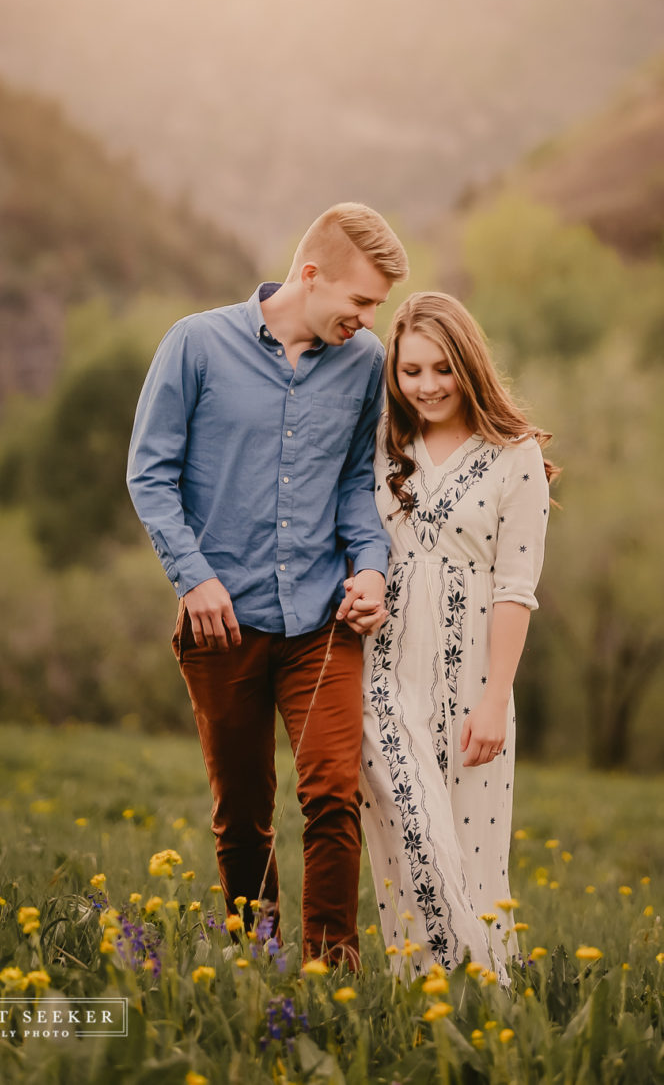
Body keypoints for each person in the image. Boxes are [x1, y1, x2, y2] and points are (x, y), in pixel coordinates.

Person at [126, 203, 407, 966]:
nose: (367, 319)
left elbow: (357, 482)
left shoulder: (365, 365)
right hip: (222, 627)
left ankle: (330, 971)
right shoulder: (196, 344)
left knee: (332, 796)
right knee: (243, 814)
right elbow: (149, 476)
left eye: (375, 306)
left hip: (323, 622)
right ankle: (260, 962)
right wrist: (194, 580)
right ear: (310, 276)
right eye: (360, 301)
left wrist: (373, 569)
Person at [360, 291, 558, 978]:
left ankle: (483, 1013)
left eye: (441, 369)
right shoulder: (383, 444)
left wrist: (495, 699)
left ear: (468, 366)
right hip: (382, 676)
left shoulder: (516, 457)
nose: (427, 386)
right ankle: (444, 990)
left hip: (477, 679)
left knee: (475, 859)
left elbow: (515, 588)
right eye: (411, 371)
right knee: (409, 841)